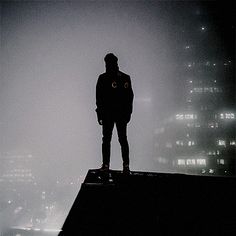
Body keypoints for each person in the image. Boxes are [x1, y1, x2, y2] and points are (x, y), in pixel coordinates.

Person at [96, 53, 134, 174]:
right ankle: (125, 166)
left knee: (109, 140)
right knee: (121, 139)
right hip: (119, 114)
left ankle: (107, 165)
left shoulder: (103, 78)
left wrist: (100, 114)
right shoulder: (124, 78)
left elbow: (99, 98)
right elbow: (129, 97)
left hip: (111, 114)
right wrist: (128, 113)